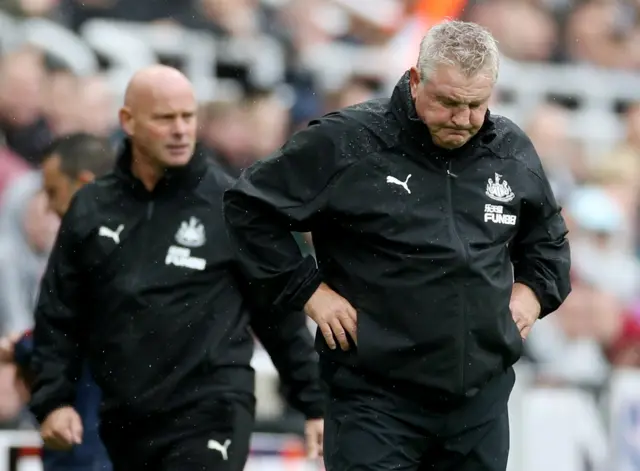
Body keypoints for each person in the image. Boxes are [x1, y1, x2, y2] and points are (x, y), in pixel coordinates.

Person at [223, 20, 571, 471]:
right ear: (414, 80)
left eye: (476, 105)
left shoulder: (510, 151)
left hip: (478, 402)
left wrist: (531, 295)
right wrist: (309, 292)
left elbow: (548, 241)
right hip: (374, 401)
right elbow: (247, 209)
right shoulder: (348, 141)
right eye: (448, 102)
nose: (463, 119)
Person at [29, 65, 324, 471]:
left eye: (188, 116)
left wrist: (315, 402)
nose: (181, 129)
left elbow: (277, 314)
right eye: (165, 118)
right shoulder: (91, 208)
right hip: (126, 418)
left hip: (211, 412)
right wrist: (54, 401)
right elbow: (59, 313)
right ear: (128, 122)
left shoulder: (230, 205)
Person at [0, 132, 115, 471]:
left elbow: (84, 335)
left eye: (53, 192)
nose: (49, 207)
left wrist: (21, 347)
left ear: (83, 184)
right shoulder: (113, 245)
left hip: (89, 439)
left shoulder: (101, 253)